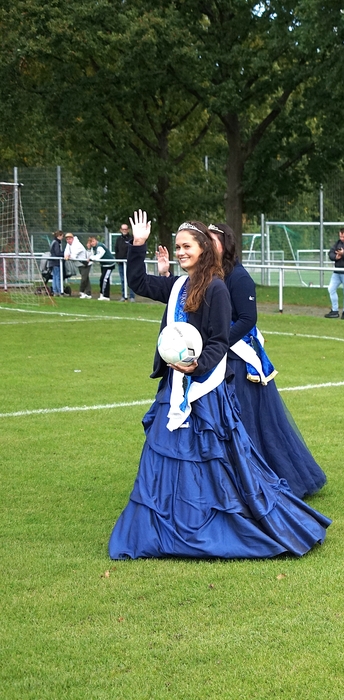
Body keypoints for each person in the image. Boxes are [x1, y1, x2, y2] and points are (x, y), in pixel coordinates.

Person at [108, 211, 330, 559]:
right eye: (178, 247)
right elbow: (138, 282)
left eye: (187, 246)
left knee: (212, 459)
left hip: (206, 389)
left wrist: (198, 366)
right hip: (174, 385)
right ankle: (166, 519)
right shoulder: (177, 286)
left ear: (203, 249)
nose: (181, 252)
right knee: (163, 451)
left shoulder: (217, 288)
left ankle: (209, 517)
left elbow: (219, 341)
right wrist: (137, 245)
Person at [205, 222, 328, 497]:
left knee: (248, 422)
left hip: (238, 361)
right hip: (218, 357)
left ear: (225, 244)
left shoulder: (239, 277)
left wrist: (220, 342)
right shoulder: (211, 275)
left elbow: (248, 319)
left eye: (212, 241)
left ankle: (260, 480)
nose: (207, 246)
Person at [114, 222, 135, 302]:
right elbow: (116, 249)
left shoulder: (131, 238)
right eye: (123, 229)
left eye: (126, 229)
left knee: (131, 279)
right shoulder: (119, 239)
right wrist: (117, 259)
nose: (124, 230)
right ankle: (123, 296)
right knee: (123, 280)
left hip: (130, 263)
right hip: (121, 263)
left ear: (128, 230)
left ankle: (132, 297)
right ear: (120, 230)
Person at [65, 233, 90, 298]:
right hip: (79, 264)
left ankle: (81, 292)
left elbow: (73, 256)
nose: (68, 240)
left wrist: (68, 256)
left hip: (85, 264)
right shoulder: (69, 245)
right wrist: (67, 255)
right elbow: (66, 253)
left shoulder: (77, 245)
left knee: (84, 279)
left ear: (73, 238)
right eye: (67, 239)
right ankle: (88, 294)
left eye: (70, 239)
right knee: (86, 279)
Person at [91, 236, 116, 300]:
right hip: (104, 265)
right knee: (102, 279)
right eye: (90, 242)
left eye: (93, 241)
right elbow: (92, 255)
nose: (92, 243)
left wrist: (91, 258)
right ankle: (102, 294)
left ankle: (106, 296)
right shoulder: (93, 248)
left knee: (104, 280)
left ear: (96, 240)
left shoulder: (100, 247)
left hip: (109, 265)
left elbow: (97, 257)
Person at [47, 231, 64, 296]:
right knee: (57, 276)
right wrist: (64, 254)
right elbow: (57, 253)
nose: (62, 238)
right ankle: (59, 291)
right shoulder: (56, 243)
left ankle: (55, 291)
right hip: (55, 262)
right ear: (59, 236)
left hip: (52, 262)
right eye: (62, 236)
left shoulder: (53, 242)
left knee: (54, 276)